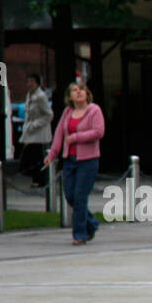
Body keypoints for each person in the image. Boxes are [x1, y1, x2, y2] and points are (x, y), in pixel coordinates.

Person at [44, 81, 105, 245]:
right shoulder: (68, 112)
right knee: (70, 195)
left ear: (87, 93)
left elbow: (99, 131)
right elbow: (59, 133)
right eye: (74, 90)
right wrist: (52, 153)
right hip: (69, 160)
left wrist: (77, 137)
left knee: (79, 197)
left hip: (88, 160)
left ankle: (79, 234)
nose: (78, 92)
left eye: (81, 90)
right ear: (69, 96)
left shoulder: (94, 110)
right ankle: (91, 223)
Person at [19, 74, 53, 187]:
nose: (29, 84)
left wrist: (35, 125)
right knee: (32, 157)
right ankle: (36, 179)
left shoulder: (41, 96)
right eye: (28, 81)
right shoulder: (29, 95)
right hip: (31, 131)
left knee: (36, 156)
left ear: (37, 83)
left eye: (32, 82)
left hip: (39, 132)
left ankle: (40, 180)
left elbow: (49, 115)